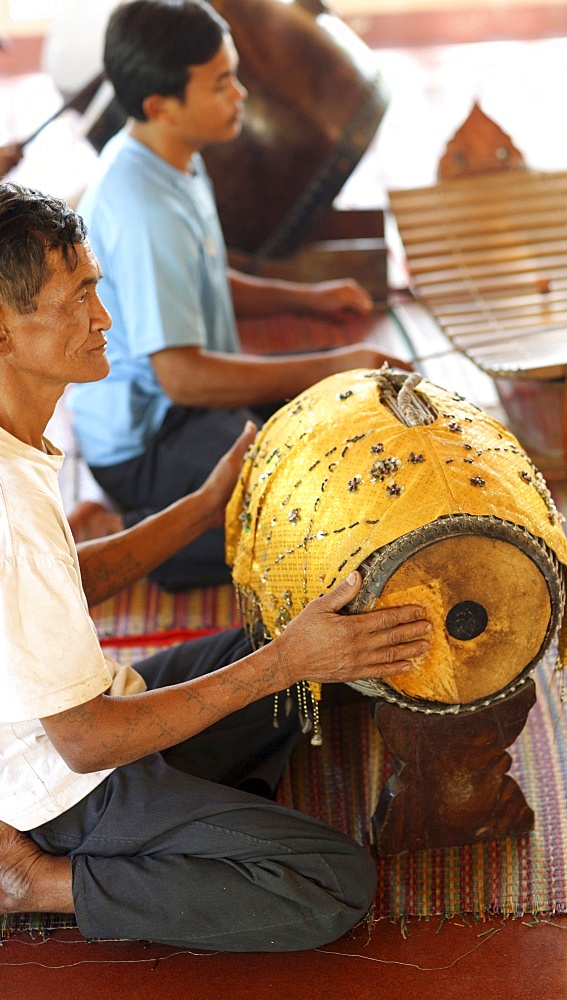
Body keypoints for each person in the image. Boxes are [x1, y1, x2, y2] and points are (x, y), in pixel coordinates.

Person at [0, 181, 431, 951]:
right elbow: (86, 743)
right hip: (58, 789)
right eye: (80, 297)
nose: (104, 317)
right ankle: (42, 881)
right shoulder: (9, 508)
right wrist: (282, 663)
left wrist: (204, 507)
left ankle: (188, 812)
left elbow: (60, 586)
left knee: (319, 645)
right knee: (332, 882)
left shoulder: (16, 439)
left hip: (75, 725)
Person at [68, 0, 410, 590]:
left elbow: (198, 275)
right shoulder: (143, 206)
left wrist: (307, 300)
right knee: (319, 516)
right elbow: (183, 377)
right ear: (161, 106)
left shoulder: (168, 154)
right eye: (222, 82)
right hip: (151, 441)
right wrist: (335, 363)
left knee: (339, 433)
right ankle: (129, 530)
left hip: (194, 404)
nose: (241, 95)